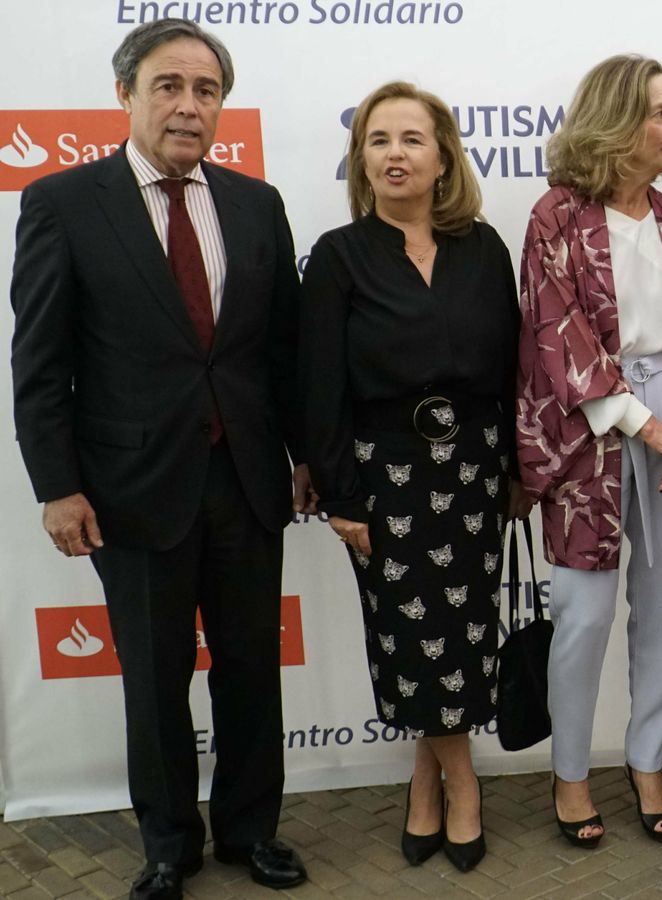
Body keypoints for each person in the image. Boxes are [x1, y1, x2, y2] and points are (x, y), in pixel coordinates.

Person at [9, 18, 310, 900]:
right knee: (154, 677)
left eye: (205, 90)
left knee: (251, 669)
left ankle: (251, 832)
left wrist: (303, 456)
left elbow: (282, 350)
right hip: (130, 489)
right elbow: (41, 363)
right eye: (168, 86)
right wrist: (58, 487)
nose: (188, 105)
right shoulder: (64, 202)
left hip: (247, 481)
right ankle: (170, 844)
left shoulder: (257, 203)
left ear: (221, 106)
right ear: (126, 95)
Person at [517, 53, 662, 849]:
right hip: (591, 434)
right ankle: (571, 774)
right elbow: (561, 341)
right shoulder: (555, 216)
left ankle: (648, 760)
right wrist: (654, 431)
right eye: (659, 111)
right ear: (615, 122)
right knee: (582, 616)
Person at [299, 81, 527, 872]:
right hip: (385, 478)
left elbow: (514, 370)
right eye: (378, 140)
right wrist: (340, 495)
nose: (394, 154)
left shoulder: (484, 248)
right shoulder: (338, 257)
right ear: (361, 160)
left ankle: (424, 784)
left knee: (464, 636)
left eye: (411, 139)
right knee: (409, 638)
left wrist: (518, 468)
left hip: (476, 471)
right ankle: (463, 785)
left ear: (443, 158)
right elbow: (320, 386)